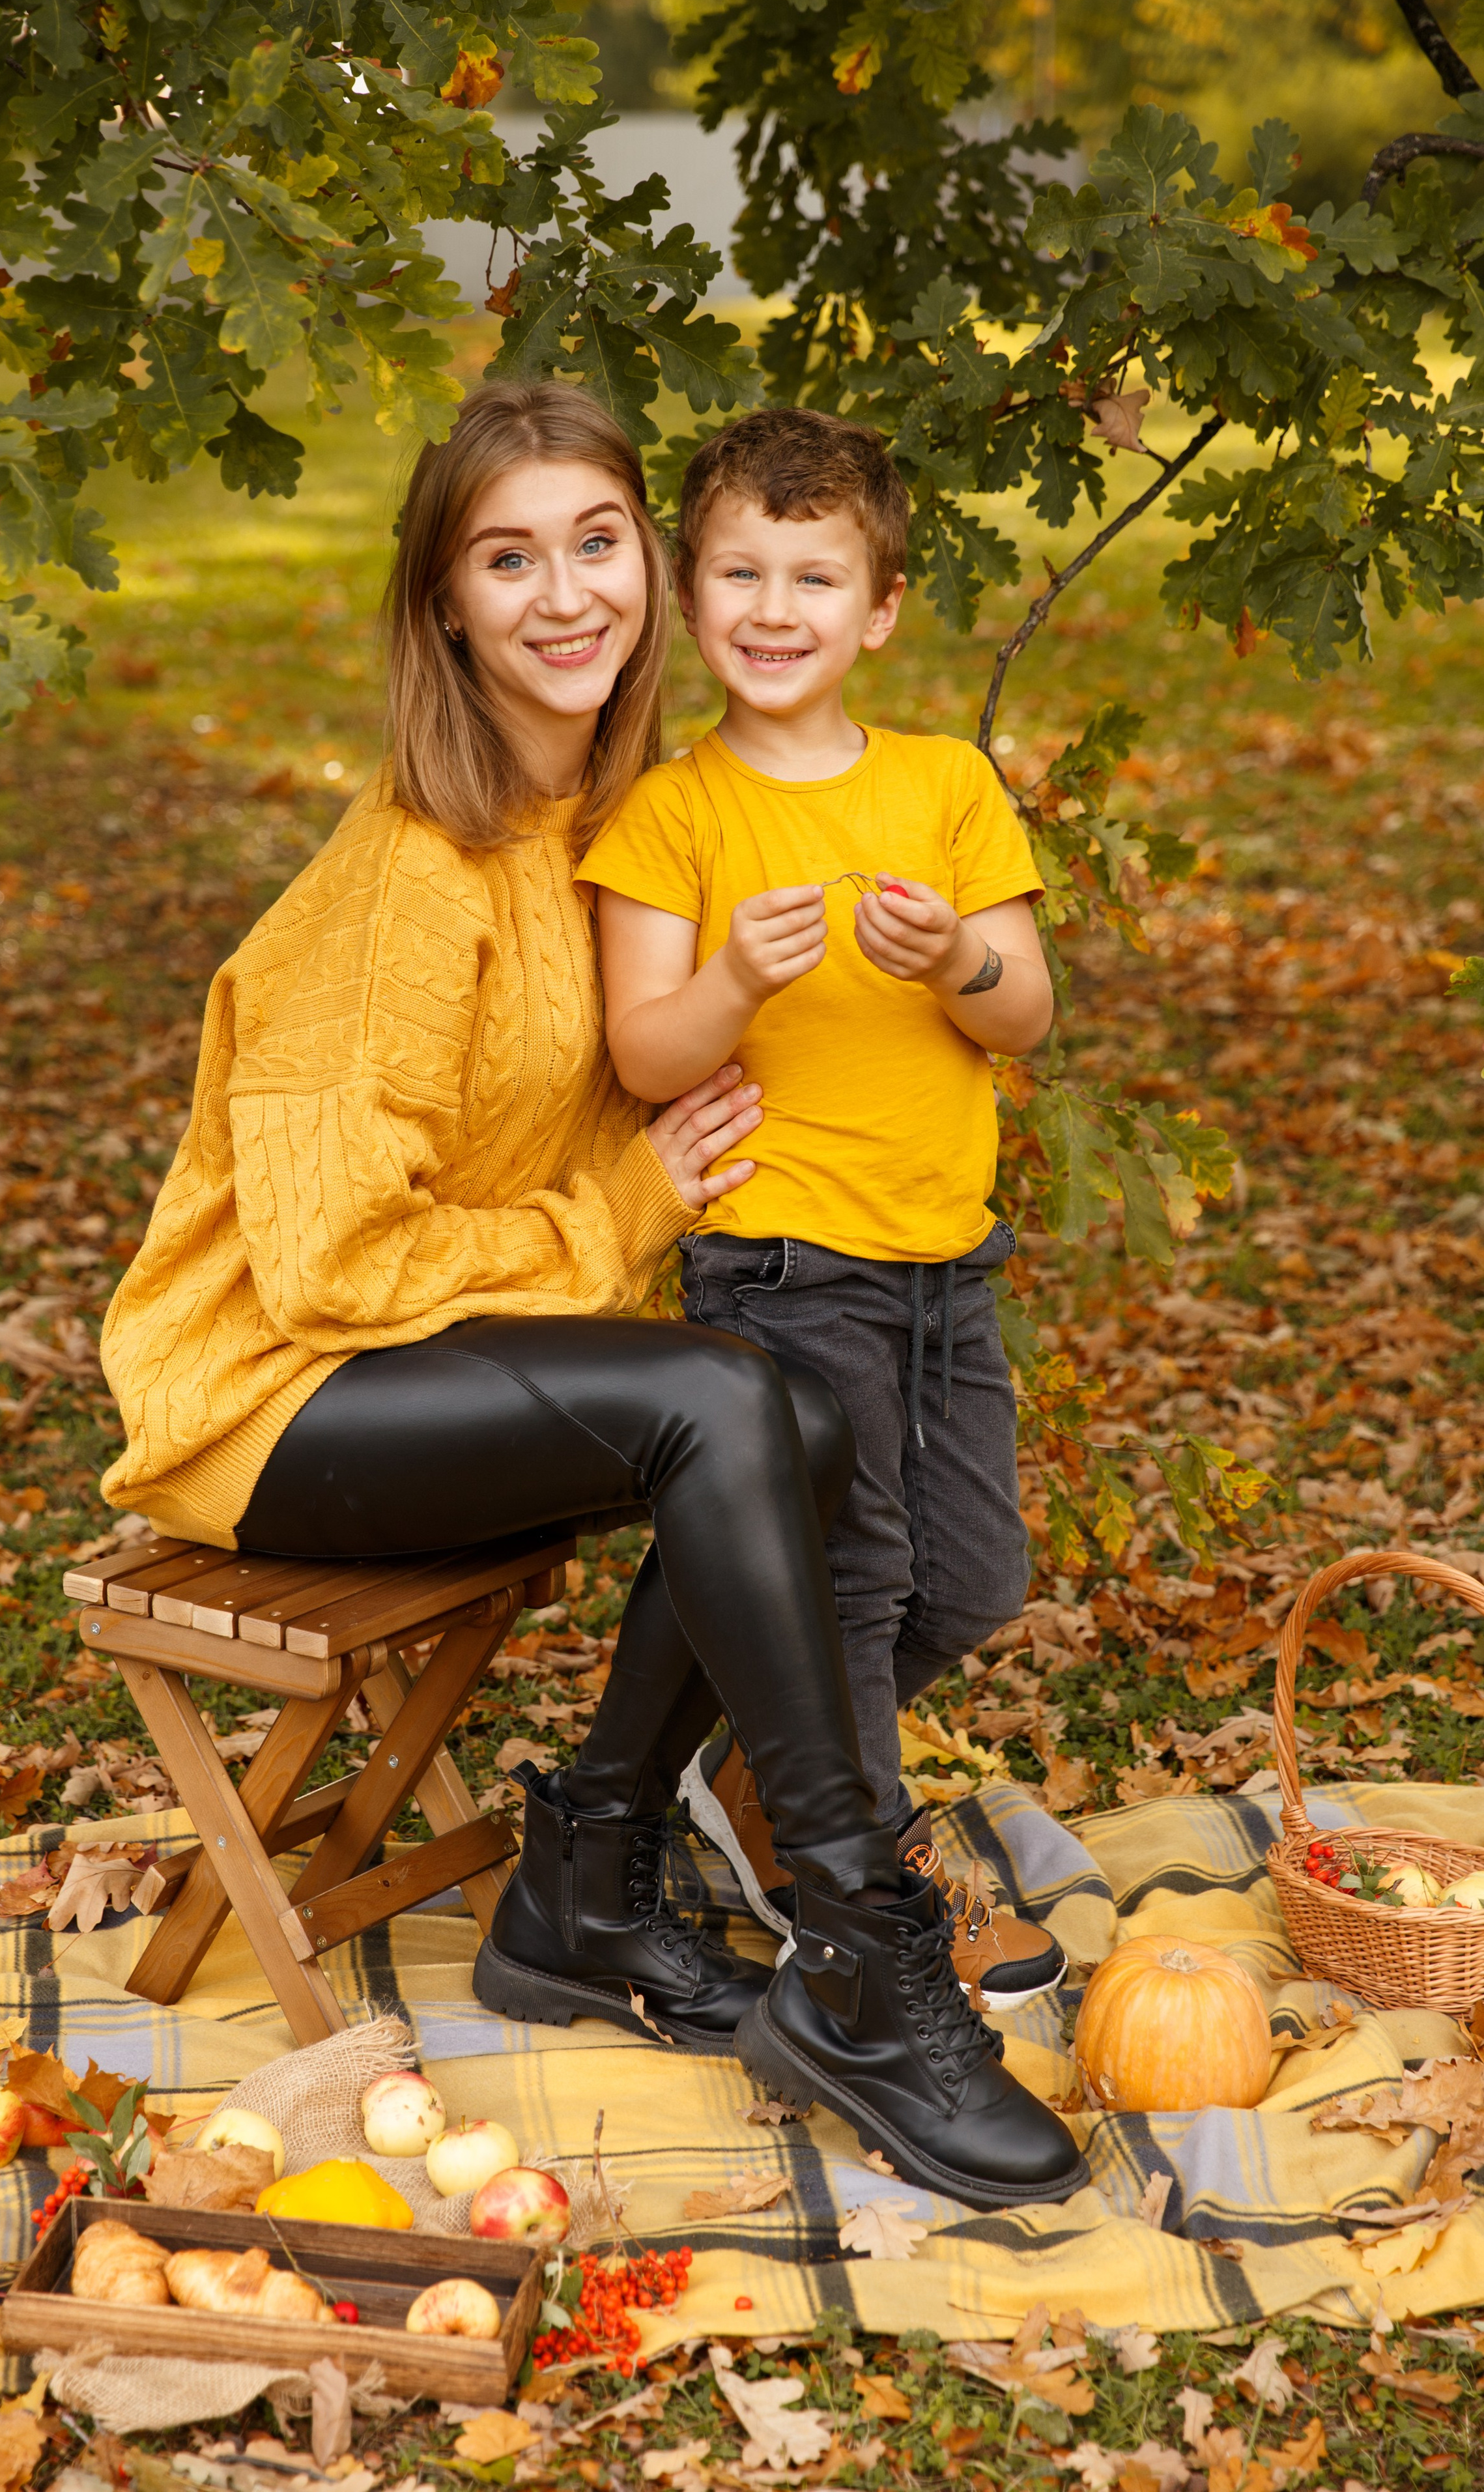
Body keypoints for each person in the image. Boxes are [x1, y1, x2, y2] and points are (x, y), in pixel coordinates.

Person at [99, 379, 1085, 2209]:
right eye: (505, 555)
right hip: (271, 1401)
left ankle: (583, 1883)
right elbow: (326, 1269)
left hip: (432, 1353)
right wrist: (619, 1207)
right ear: (446, 606)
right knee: (726, 1400)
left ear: (646, 566)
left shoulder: (609, 825)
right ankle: (864, 1954)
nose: (562, 591)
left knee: (779, 1414)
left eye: (594, 539)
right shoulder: (403, 880)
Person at [577, 406, 1064, 2009]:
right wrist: (729, 976)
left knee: (972, 1580)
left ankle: (751, 1775)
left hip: (945, 1266)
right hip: (780, 1263)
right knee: (850, 1584)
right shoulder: (674, 814)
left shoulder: (940, 787)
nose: (772, 609)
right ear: (687, 590)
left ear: (879, 611)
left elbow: (1025, 1013)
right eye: (738, 571)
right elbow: (647, 1049)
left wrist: (953, 962)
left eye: (812, 575)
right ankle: (861, 1873)